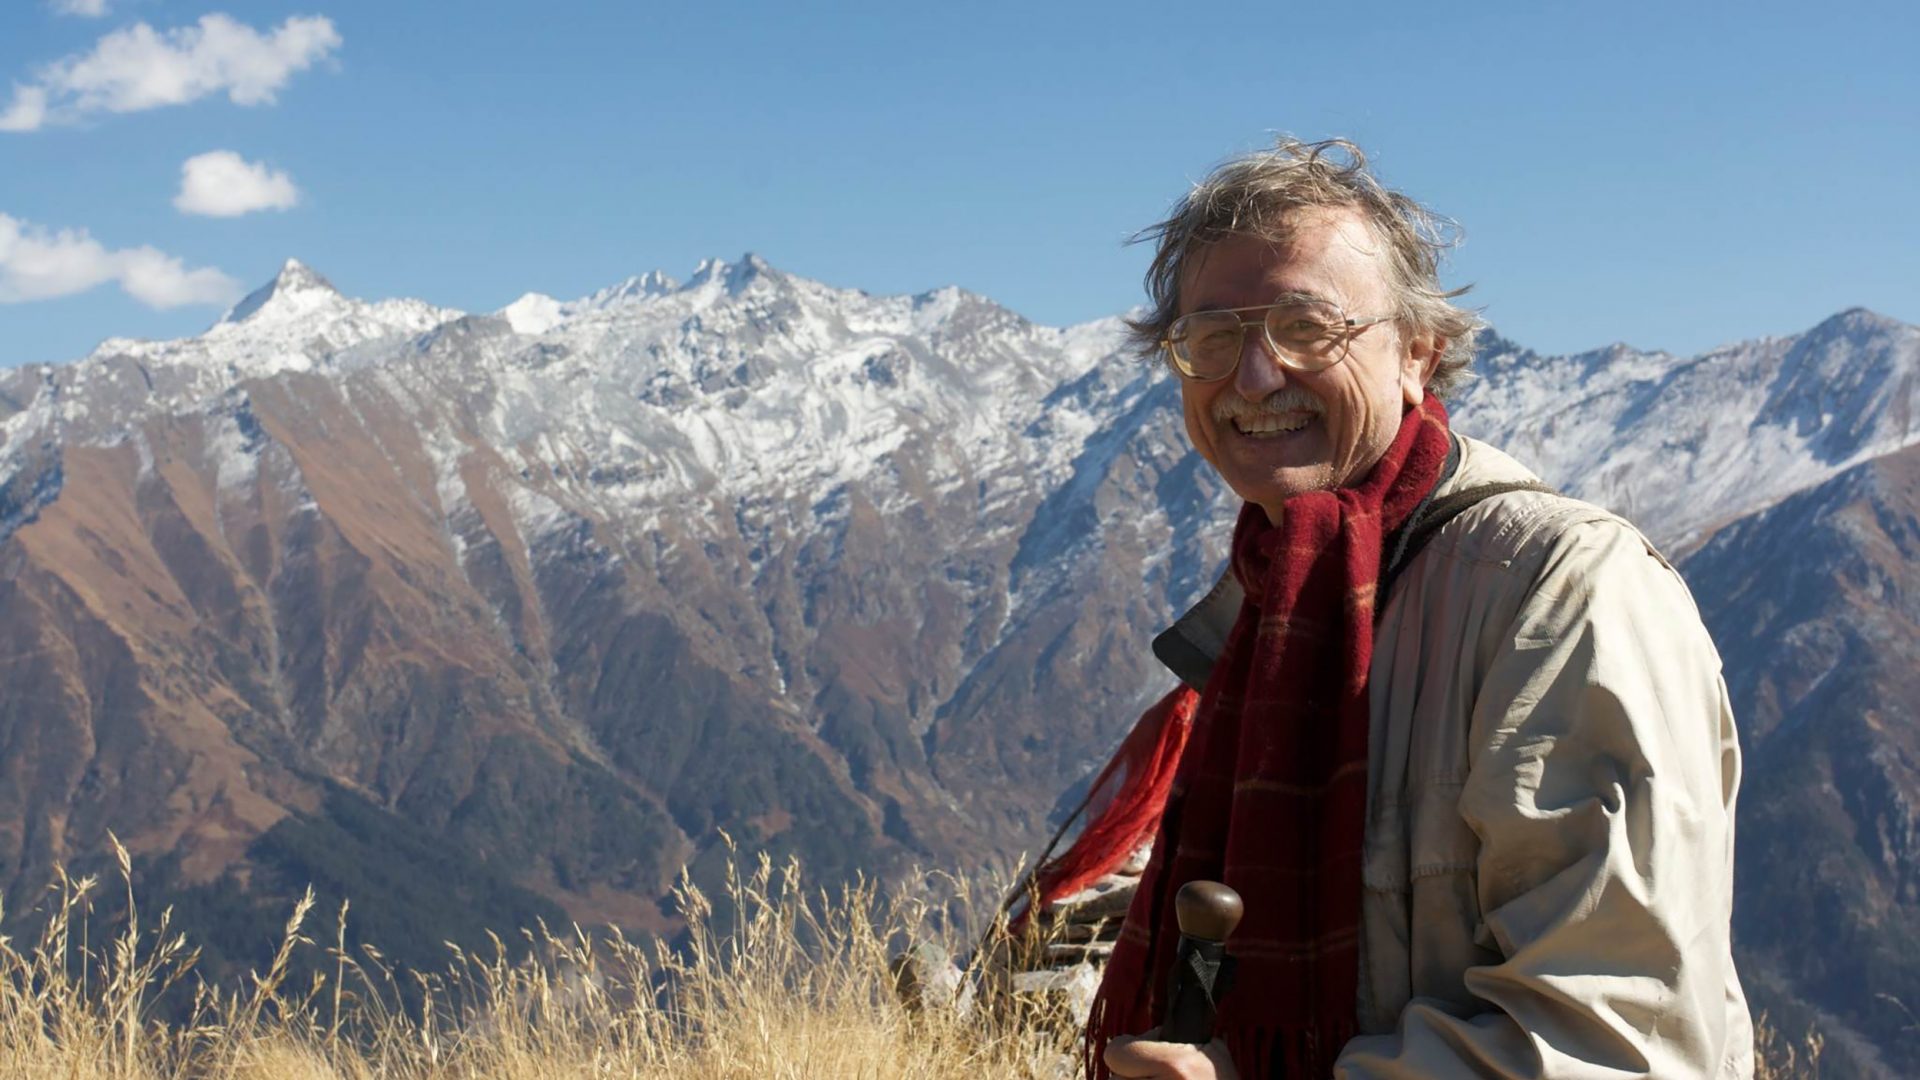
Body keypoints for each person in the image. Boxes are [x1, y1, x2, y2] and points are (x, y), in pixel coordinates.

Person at [1077, 138, 1753, 1079]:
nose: (1256, 377)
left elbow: (1618, 1042)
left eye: (1305, 327)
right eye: (1212, 339)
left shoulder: (1559, 592)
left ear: (1418, 354)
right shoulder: (1281, 592)